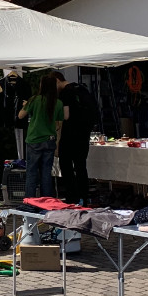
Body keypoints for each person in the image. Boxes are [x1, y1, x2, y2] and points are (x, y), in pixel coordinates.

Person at [53, 72, 99, 205]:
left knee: (66, 166)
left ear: (57, 80)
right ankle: (84, 196)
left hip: (69, 134)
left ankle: (71, 197)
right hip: (84, 134)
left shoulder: (65, 93)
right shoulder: (82, 89)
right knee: (80, 166)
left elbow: (66, 116)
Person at [19, 73, 67, 198]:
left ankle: (30, 201)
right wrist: (57, 143)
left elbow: (20, 116)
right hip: (50, 140)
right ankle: (46, 202)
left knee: (32, 172)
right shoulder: (58, 103)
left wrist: (25, 105)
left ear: (42, 85)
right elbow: (59, 124)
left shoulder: (34, 99)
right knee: (46, 173)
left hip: (34, 139)